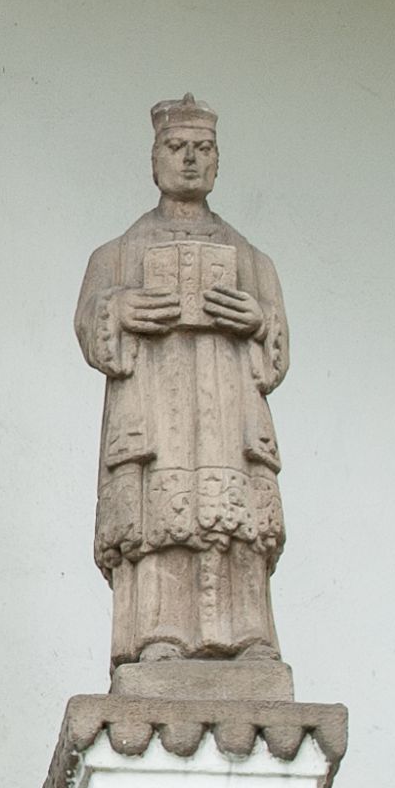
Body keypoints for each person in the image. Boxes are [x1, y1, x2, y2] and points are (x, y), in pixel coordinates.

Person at [75, 94, 289, 664]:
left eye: (203, 148)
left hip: (229, 416)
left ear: (218, 162)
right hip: (157, 413)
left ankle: (249, 636)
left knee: (235, 518)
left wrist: (258, 320)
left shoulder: (252, 259)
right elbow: (89, 327)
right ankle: (157, 633)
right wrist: (118, 309)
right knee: (159, 514)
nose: (190, 159)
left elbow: (277, 352)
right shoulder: (116, 254)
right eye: (176, 147)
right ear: (155, 161)